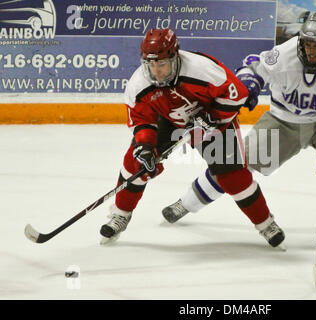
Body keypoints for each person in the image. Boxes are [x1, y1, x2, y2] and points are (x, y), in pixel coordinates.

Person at [162, 12, 316, 240]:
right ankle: (186, 203)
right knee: (234, 165)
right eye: (307, 43)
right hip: (282, 121)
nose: (311, 50)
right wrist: (250, 80)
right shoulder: (286, 54)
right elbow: (253, 67)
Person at [100, 28, 286, 248]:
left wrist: (214, 117)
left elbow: (236, 93)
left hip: (213, 120)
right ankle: (120, 214)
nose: (156, 72)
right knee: (136, 162)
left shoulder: (202, 69)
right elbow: (142, 120)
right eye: (151, 65)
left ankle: (265, 223)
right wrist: (145, 145)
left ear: (175, 56)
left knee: (233, 176)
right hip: (169, 120)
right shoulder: (138, 85)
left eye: (161, 65)